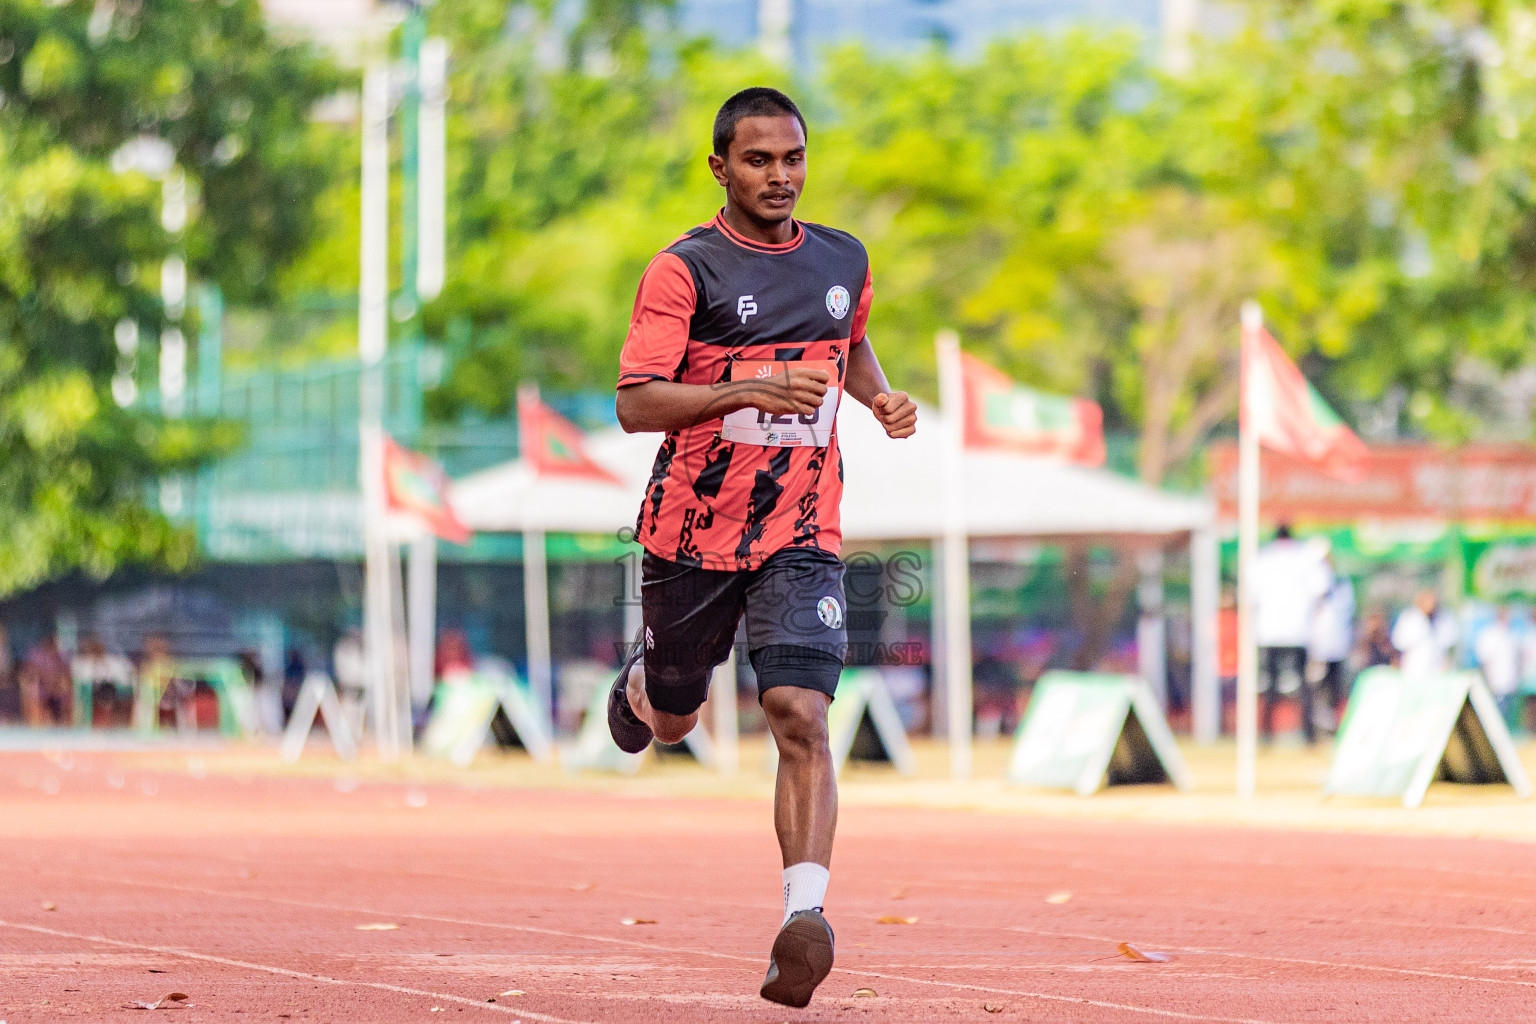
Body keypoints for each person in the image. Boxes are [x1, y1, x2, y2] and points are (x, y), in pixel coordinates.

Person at [607, 87, 916, 1008]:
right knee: (674, 719)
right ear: (721, 168)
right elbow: (634, 403)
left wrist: (879, 397)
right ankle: (639, 686)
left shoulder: (843, 257)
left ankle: (805, 916)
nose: (779, 176)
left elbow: (849, 342)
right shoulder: (683, 271)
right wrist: (741, 391)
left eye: (792, 158)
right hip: (690, 534)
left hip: (803, 532)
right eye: (758, 160)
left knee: (801, 714)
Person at [1253, 524, 1331, 744]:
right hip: (1299, 630)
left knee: (1269, 684)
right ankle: (1308, 736)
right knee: (1305, 686)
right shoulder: (1305, 558)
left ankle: (1266, 736)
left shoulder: (1262, 558)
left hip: (1268, 631)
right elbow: (1322, 589)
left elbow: (1250, 594)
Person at [1308, 555, 1355, 726]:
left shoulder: (1342, 585)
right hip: (1317, 648)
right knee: (1316, 687)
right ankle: (1318, 724)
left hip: (1335, 646)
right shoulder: (1310, 589)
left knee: (1335, 688)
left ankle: (1333, 724)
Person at [1391, 589, 1458, 680]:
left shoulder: (1444, 618)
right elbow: (1399, 642)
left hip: (1438, 672)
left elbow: (1450, 643)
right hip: (1414, 671)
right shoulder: (1409, 618)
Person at [72, 634, 135, 727]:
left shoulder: (112, 661)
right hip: (92, 689)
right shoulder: (82, 662)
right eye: (93, 648)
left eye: (98, 647)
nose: (96, 650)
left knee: (108, 688)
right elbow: (83, 679)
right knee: (101, 688)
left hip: (110, 688)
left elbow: (124, 677)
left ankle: (111, 717)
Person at [1473, 605, 1520, 722]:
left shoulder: (1510, 634)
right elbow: (1484, 661)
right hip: (1495, 683)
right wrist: (1488, 681)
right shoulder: (1490, 635)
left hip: (1509, 684)